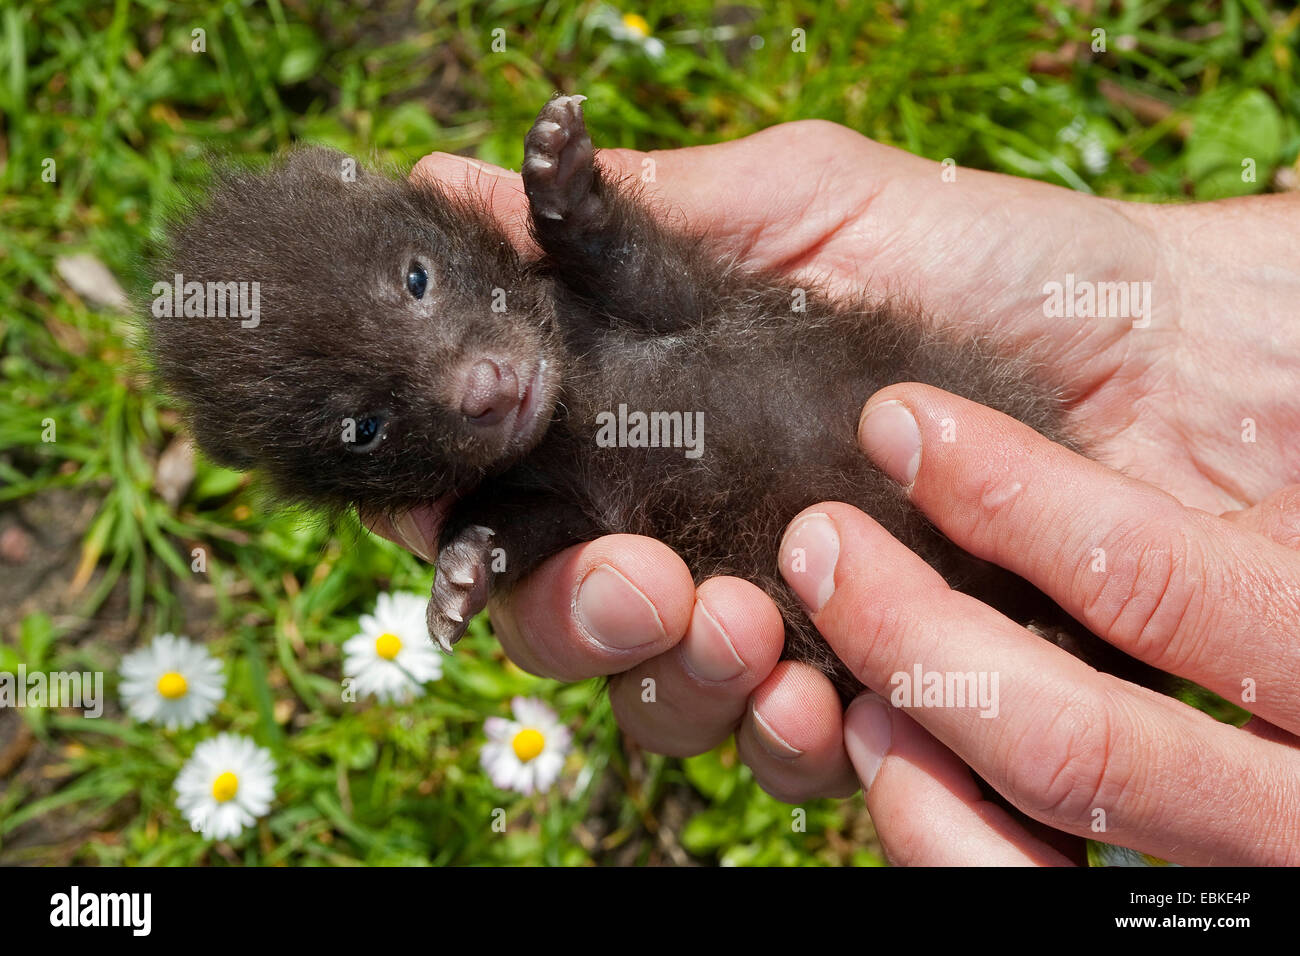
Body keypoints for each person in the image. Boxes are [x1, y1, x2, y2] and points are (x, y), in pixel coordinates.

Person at [379, 119, 1300, 865]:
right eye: (374, 418)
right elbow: (549, 522)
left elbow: (665, 291)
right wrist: (484, 546)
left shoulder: (579, 286)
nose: (474, 387)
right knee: (1035, 737)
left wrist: (582, 215)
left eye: (415, 285)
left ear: (431, 227)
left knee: (1068, 739)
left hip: (994, 480)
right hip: (958, 641)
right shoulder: (523, 488)